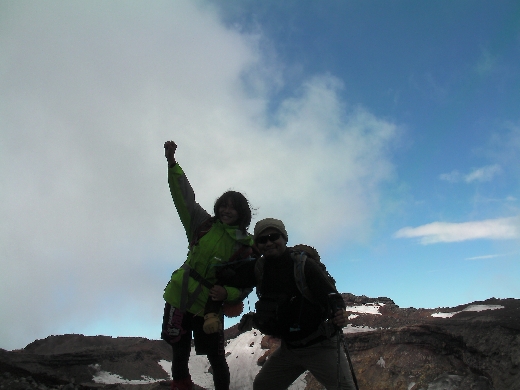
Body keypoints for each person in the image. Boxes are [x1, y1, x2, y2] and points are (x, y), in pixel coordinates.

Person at [161, 140, 255, 390]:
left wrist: (228, 293)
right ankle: (182, 387)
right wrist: (172, 164)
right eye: (223, 205)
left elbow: (248, 283)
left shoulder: (247, 244)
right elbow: (184, 198)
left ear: (242, 213)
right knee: (179, 350)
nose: (226, 210)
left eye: (232, 208)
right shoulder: (203, 224)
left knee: (215, 356)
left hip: (208, 308)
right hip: (178, 296)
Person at [220, 218, 357, 390]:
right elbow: (233, 276)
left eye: (273, 236)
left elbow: (331, 296)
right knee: (263, 386)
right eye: (262, 240)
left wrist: (339, 312)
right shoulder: (260, 267)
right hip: (289, 349)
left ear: (284, 238)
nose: (269, 243)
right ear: (257, 244)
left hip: (320, 346)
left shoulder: (304, 265)